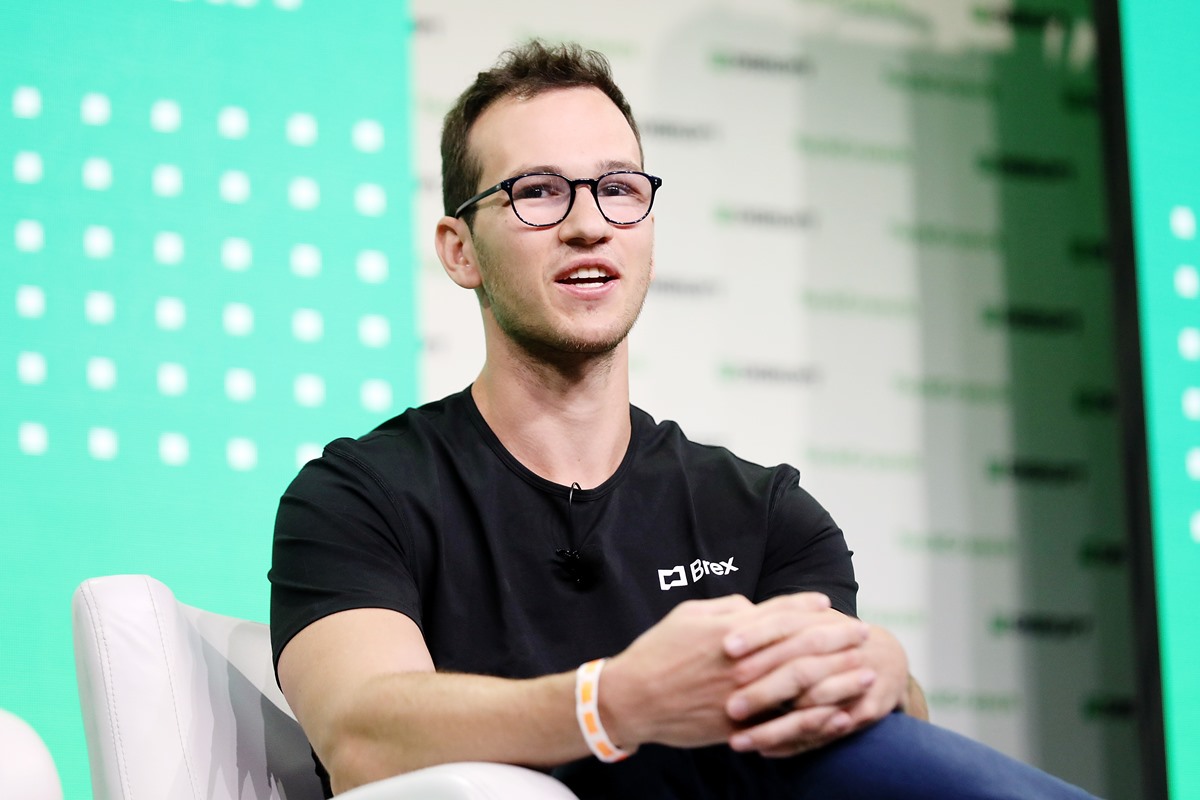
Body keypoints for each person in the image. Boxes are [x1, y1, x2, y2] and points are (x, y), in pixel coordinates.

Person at [270, 41, 1097, 799]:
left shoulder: (765, 513)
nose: (589, 223)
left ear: (650, 232)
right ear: (459, 249)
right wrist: (614, 703)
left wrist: (891, 681)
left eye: (619, 189)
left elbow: (853, 744)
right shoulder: (359, 495)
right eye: (539, 193)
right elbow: (364, 736)